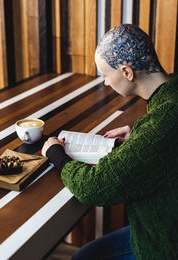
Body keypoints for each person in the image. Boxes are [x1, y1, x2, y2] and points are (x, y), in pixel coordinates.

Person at [41, 24, 178, 259]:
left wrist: (56, 154)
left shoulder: (163, 124)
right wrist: (137, 136)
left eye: (106, 75)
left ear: (127, 72)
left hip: (164, 243)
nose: (105, 83)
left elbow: (94, 188)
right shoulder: (171, 94)